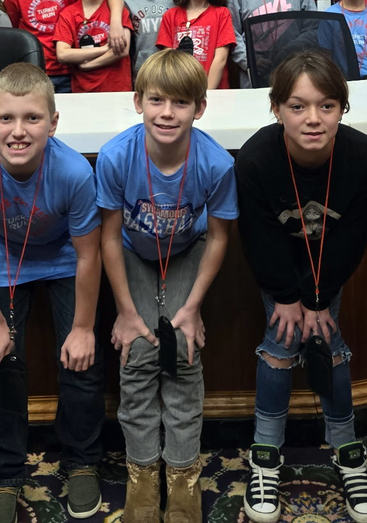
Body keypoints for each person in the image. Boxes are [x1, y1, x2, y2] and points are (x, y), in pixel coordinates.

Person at [0, 63, 104, 522]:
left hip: (66, 257)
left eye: (32, 118)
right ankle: (6, 472)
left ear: (53, 122)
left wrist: (84, 327)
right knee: (1, 363)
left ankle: (82, 461)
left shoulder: (74, 171)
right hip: (6, 258)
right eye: (6, 118)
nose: (19, 131)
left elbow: (90, 254)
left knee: (80, 360)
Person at [236, 51, 367, 523]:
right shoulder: (256, 159)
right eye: (297, 106)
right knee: (283, 338)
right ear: (276, 108)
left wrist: (319, 300)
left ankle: (345, 450)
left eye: (327, 106)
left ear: (343, 108)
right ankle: (266, 454)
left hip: (330, 267)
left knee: (324, 338)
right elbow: (258, 239)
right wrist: (288, 297)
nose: (313, 119)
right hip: (277, 269)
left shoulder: (364, 156)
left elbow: (354, 236)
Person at [97, 50, 237, 523]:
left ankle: (182, 476)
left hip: (186, 255)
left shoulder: (214, 163)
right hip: (133, 257)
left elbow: (218, 236)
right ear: (138, 102)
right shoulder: (118, 156)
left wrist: (193, 307)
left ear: (199, 107)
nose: (167, 113)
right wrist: (124, 310)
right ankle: (142, 475)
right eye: (156, 100)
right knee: (137, 354)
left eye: (180, 103)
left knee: (182, 354)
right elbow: (109, 238)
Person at [54, 0, 133, 92]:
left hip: (117, 89)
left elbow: (123, 51)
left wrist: (87, 65)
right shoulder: (68, 14)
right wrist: (105, 48)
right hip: (81, 90)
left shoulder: (117, 9)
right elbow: (63, 54)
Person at [156, 0, 236, 88]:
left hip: (213, 92)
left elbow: (221, 59)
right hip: (179, 91)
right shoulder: (170, 16)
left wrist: (206, 94)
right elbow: (169, 60)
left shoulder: (222, 14)